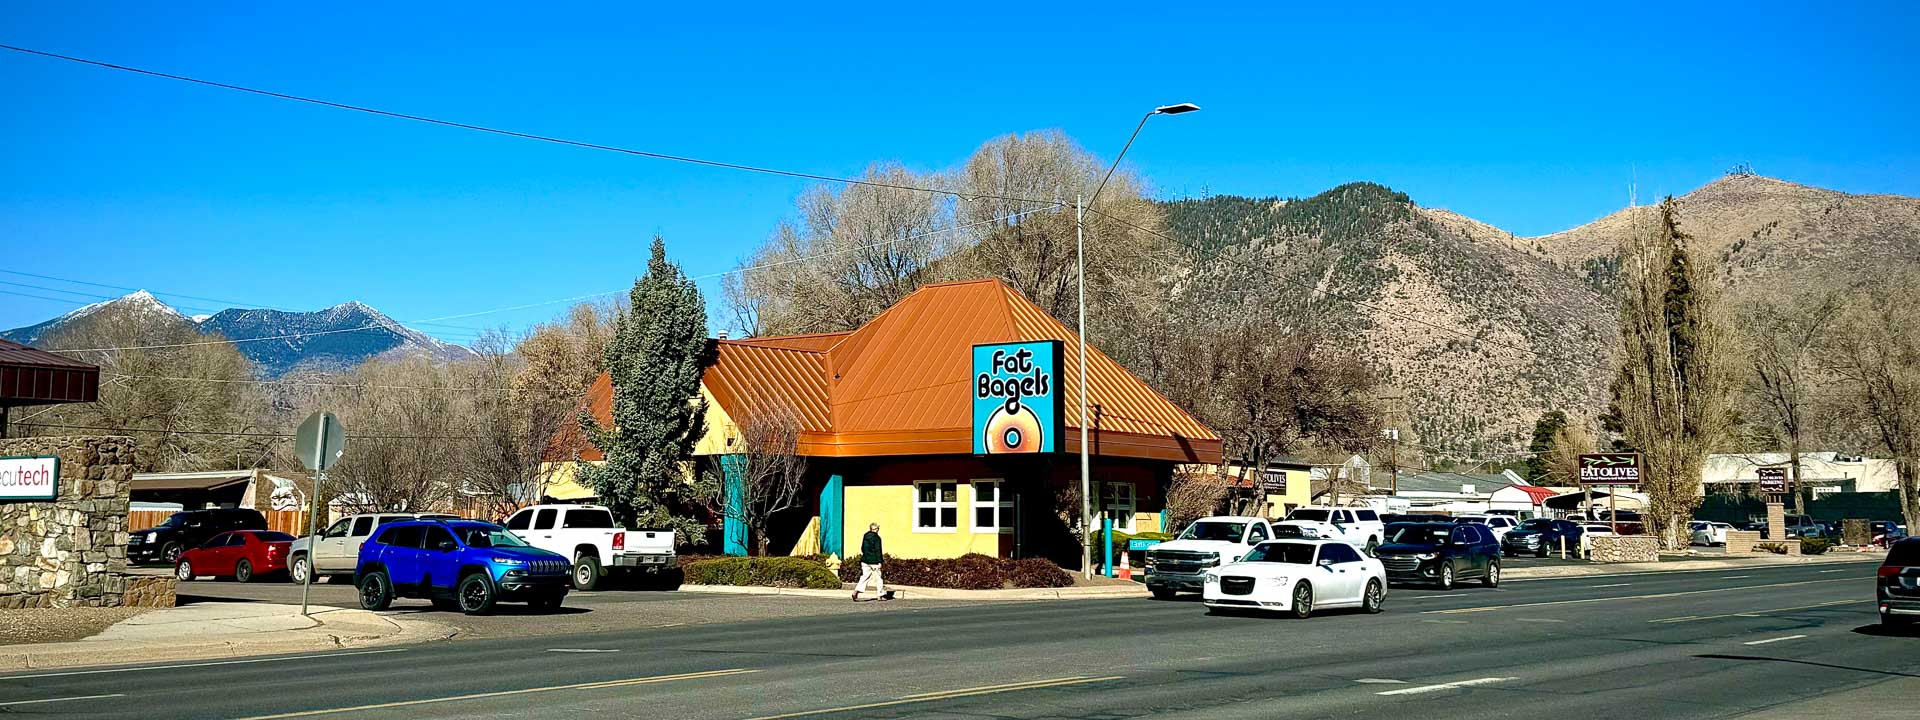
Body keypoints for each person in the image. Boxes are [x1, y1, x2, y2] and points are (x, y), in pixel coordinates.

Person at [853, 522, 889, 601]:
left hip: (865, 560)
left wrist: (866, 555)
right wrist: (880, 561)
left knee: (865, 577)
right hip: (874, 561)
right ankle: (880, 595)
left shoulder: (865, 536)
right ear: (876, 529)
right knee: (879, 578)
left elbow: (862, 548)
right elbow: (878, 550)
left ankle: (856, 591)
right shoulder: (877, 538)